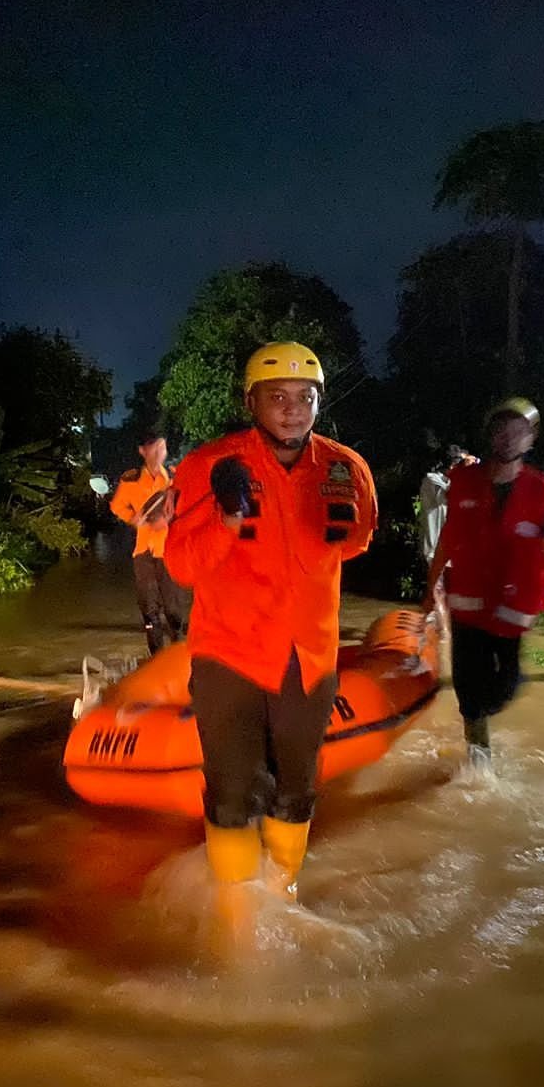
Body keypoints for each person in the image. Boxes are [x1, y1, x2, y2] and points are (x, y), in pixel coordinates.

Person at [163, 342, 377, 924]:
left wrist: (323, 534)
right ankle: (236, 915)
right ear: (250, 401)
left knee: (297, 789)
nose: (292, 409)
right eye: (276, 396)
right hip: (229, 654)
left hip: (308, 656)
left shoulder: (345, 467)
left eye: (305, 397)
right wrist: (227, 519)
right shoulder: (209, 465)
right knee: (231, 794)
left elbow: (357, 540)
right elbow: (181, 566)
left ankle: (281, 897)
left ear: (319, 403)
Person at [423, 398, 544, 771]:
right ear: (490, 435)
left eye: (519, 431)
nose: (509, 438)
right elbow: (448, 539)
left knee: (501, 691)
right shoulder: (463, 483)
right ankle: (479, 767)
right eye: (502, 430)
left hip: (511, 613)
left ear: (531, 440)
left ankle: (484, 720)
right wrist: (429, 588)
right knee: (469, 694)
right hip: (467, 607)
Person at [109, 431, 186, 655]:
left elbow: (187, 507)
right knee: (149, 610)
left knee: (174, 609)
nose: (160, 452)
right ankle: (156, 657)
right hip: (143, 552)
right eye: (155, 447)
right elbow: (117, 506)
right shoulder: (131, 480)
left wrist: (169, 520)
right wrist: (132, 518)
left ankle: (179, 652)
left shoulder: (174, 479)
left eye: (163, 447)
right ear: (143, 451)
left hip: (169, 549)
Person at [418, 445, 476, 639]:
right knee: (437, 593)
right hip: (434, 548)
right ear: (451, 465)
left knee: (450, 595)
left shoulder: (452, 481)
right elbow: (452, 493)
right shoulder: (432, 480)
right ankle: (436, 638)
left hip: (451, 550)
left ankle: (438, 635)